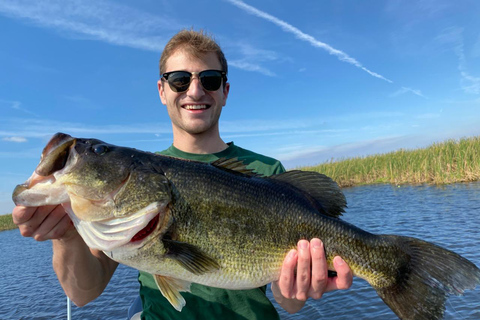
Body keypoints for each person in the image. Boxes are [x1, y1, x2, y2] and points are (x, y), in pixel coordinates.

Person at [12, 29, 353, 319]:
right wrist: (67, 235)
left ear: (225, 92)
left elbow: (288, 302)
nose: (194, 90)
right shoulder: (117, 201)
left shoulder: (267, 174)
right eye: (179, 80)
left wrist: (299, 287)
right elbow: (84, 294)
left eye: (209, 79)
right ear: (162, 91)